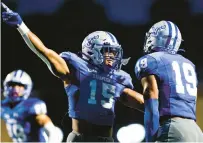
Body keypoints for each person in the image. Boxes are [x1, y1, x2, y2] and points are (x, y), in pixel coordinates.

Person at [1, 2, 144, 142]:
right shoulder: (77, 67)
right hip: (81, 138)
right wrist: (21, 26)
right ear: (92, 50)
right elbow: (44, 52)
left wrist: (162, 110)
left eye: (114, 52)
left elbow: (142, 102)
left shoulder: (117, 77)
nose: (112, 56)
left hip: (107, 139)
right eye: (108, 51)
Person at [134, 20, 203, 142]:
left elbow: (150, 95)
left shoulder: (151, 60)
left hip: (173, 128)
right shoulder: (189, 64)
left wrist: (150, 137)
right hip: (196, 131)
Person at [1, 69, 63, 142]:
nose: (15, 89)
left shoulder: (32, 106)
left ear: (27, 88)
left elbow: (52, 130)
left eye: (20, 85)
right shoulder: (3, 106)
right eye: (12, 84)